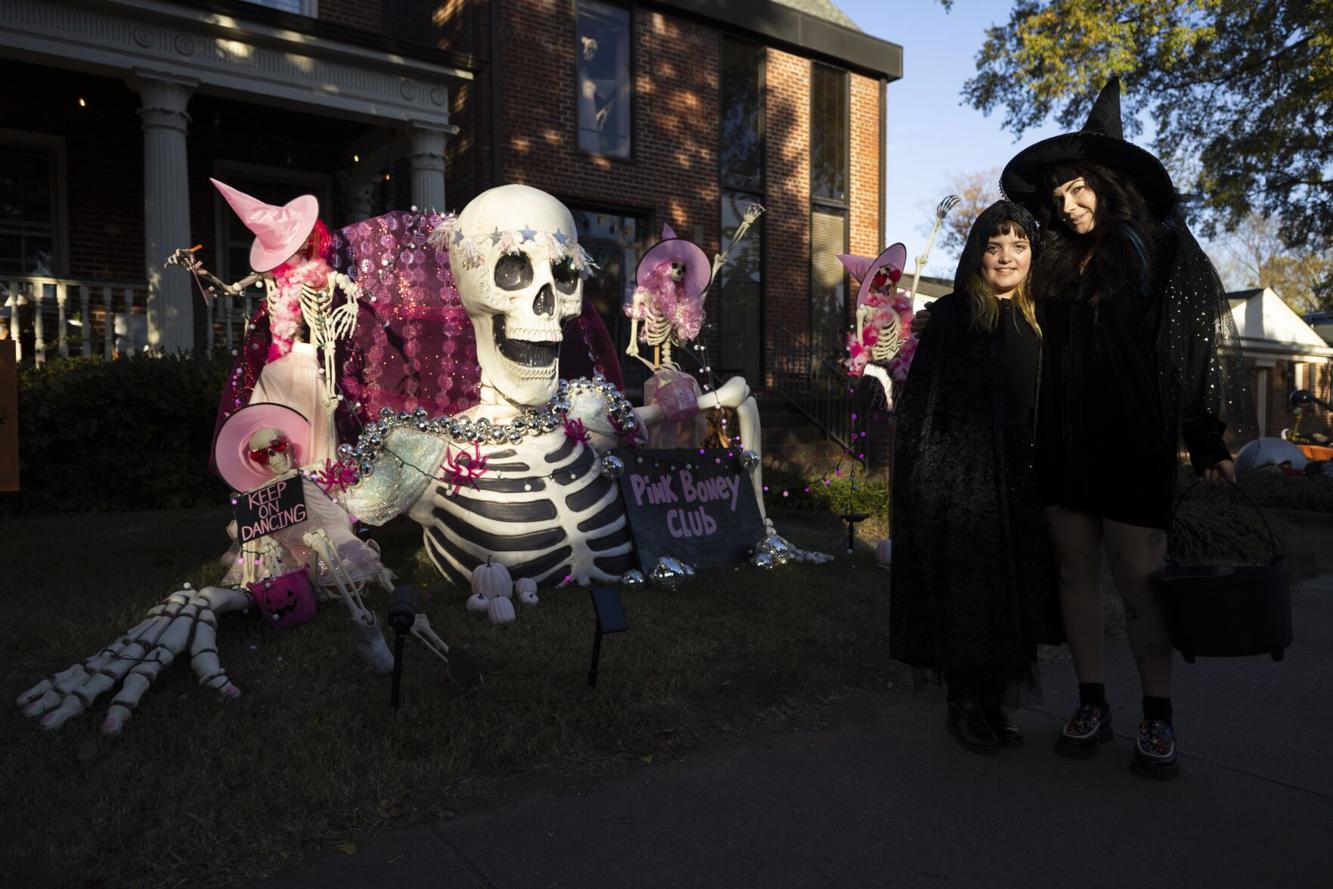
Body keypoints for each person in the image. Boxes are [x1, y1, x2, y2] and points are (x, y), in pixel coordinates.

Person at [1000, 78, 1247, 778]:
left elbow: (1185, 346)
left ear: (1104, 184)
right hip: (1062, 440)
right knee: (1074, 569)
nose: (1067, 205)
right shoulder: (1047, 261)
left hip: (1131, 438)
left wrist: (1202, 435)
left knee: (1138, 579)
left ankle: (1157, 715)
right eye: (1056, 198)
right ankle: (1090, 702)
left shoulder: (1152, 248)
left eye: (1077, 190)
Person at [890, 200, 1062, 754]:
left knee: (1010, 593)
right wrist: (936, 481)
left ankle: (995, 701)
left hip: (1024, 477)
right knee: (969, 591)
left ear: (1034, 254)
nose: (1007, 257)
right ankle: (963, 704)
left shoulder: (1044, 319)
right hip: (963, 479)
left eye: (1019, 245)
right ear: (979, 256)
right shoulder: (956, 316)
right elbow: (925, 407)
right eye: (995, 247)